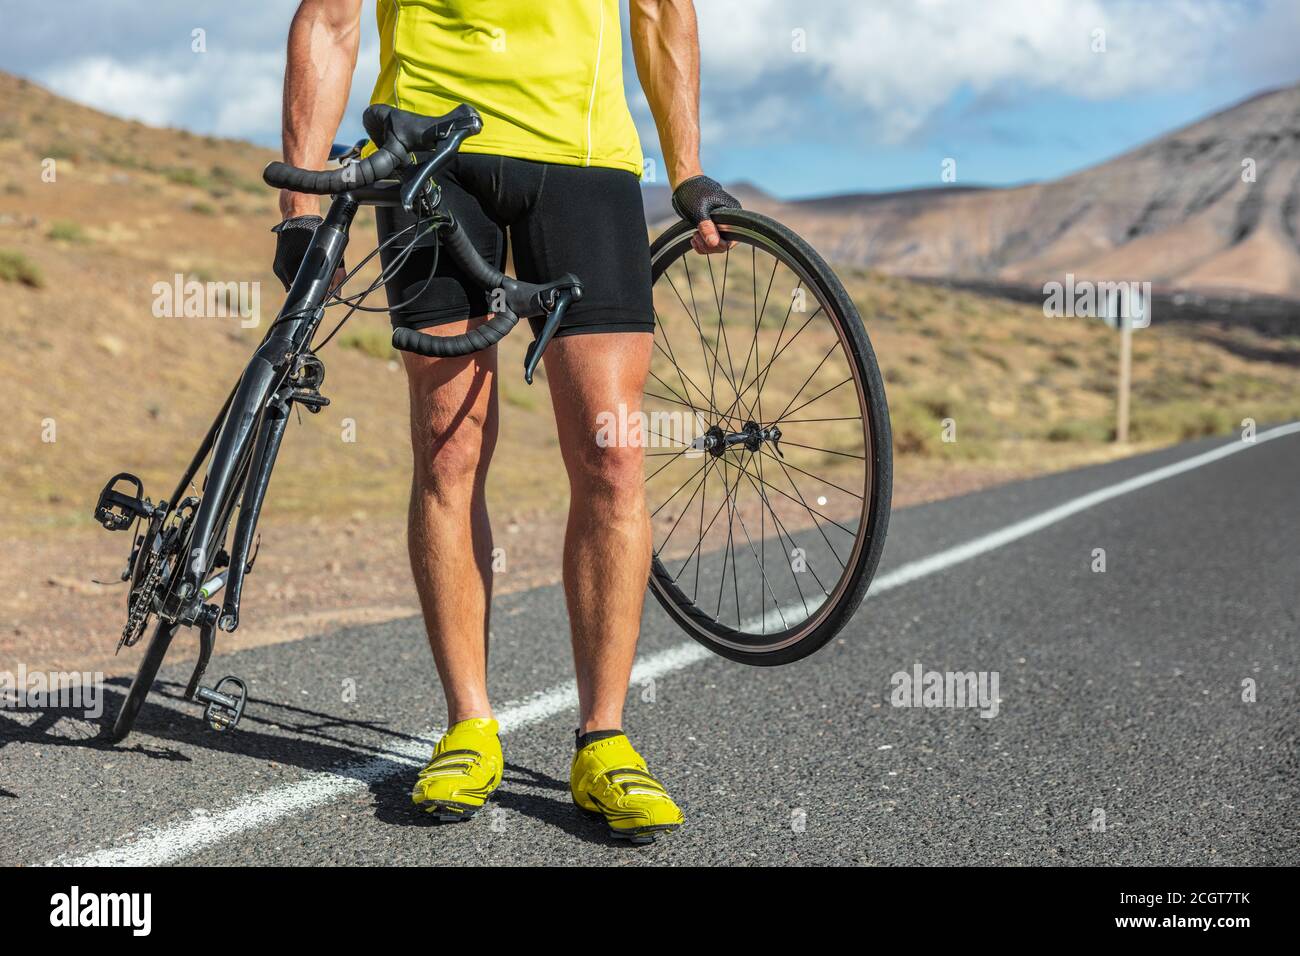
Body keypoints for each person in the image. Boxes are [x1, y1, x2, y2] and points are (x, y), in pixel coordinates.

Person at [273, 0, 739, 842]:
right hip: (429, 156)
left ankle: (605, 738)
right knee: (449, 450)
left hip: (585, 162)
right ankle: (469, 724)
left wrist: (688, 168)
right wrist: (301, 212)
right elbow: (331, 18)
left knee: (613, 455)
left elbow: (664, 9)